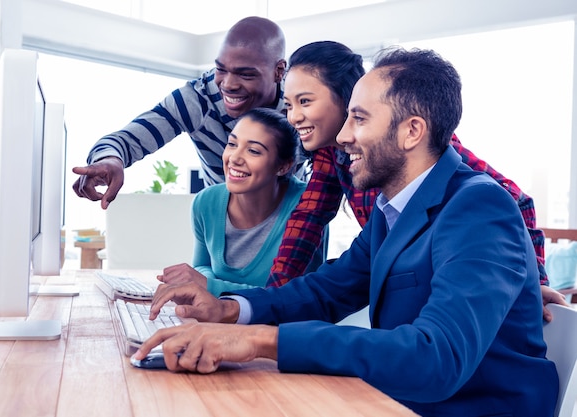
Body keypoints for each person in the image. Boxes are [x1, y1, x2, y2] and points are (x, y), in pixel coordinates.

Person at [135, 46, 559, 416]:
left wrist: (261, 341)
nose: (342, 136)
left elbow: (436, 358)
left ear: (412, 131)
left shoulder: (478, 207)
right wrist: (229, 311)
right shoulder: (392, 211)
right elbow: (325, 291)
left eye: (358, 119)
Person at [272, 40, 566, 319]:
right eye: (288, 105)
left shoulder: (425, 150)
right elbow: (306, 222)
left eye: (305, 101)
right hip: (401, 286)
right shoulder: (332, 157)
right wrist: (268, 297)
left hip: (442, 283)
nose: (294, 116)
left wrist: (534, 280)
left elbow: (512, 199)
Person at [71, 16, 288, 209]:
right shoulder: (197, 100)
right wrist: (110, 159)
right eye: (221, 69)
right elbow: (127, 140)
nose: (228, 84)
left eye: (246, 74)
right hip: (227, 226)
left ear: (279, 71)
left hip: (296, 225)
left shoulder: (299, 104)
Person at [159, 107, 322, 296]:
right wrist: (197, 279)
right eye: (232, 144)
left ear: (283, 166)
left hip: (278, 325)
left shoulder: (308, 205)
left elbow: (297, 298)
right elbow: (203, 265)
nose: (234, 158)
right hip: (219, 320)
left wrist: (209, 285)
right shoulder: (206, 202)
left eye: (253, 151)